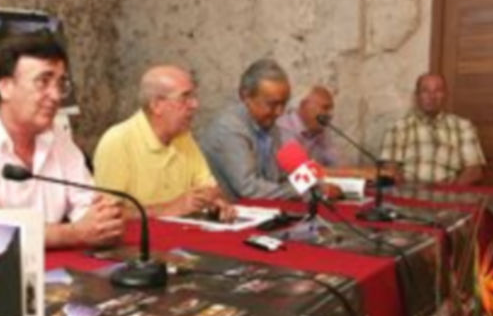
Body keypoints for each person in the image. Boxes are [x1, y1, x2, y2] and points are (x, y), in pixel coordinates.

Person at [0, 33, 124, 248]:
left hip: (44, 264)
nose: (56, 95)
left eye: (61, 83)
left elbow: (87, 206)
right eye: (43, 82)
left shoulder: (56, 137)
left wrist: (103, 220)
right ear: (5, 87)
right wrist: (72, 233)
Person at [93, 65, 235, 220]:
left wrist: (214, 201)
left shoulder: (183, 137)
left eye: (194, 97)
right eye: (185, 98)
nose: (195, 105)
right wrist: (169, 208)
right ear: (156, 105)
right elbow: (107, 214)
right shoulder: (118, 141)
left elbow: (210, 188)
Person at [198, 59, 297, 199]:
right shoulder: (229, 128)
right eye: (272, 104)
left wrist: (313, 184)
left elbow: (278, 176)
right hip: (229, 208)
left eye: (284, 104)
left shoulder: (269, 124)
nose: (279, 112)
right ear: (245, 96)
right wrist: (301, 191)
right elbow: (249, 188)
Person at [380, 73, 485, 185]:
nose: (432, 96)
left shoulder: (463, 126)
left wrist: (452, 191)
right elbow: (389, 168)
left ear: (445, 95)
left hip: (450, 192)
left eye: (438, 91)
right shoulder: (398, 128)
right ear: (417, 96)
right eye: (425, 91)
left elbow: (474, 170)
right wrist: (407, 190)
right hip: (409, 192)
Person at [277, 86, 342, 167]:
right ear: (304, 105)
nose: (330, 115)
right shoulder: (284, 127)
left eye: (331, 109)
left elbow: (338, 162)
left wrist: (353, 172)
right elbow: (301, 171)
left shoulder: (319, 130)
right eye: (325, 108)